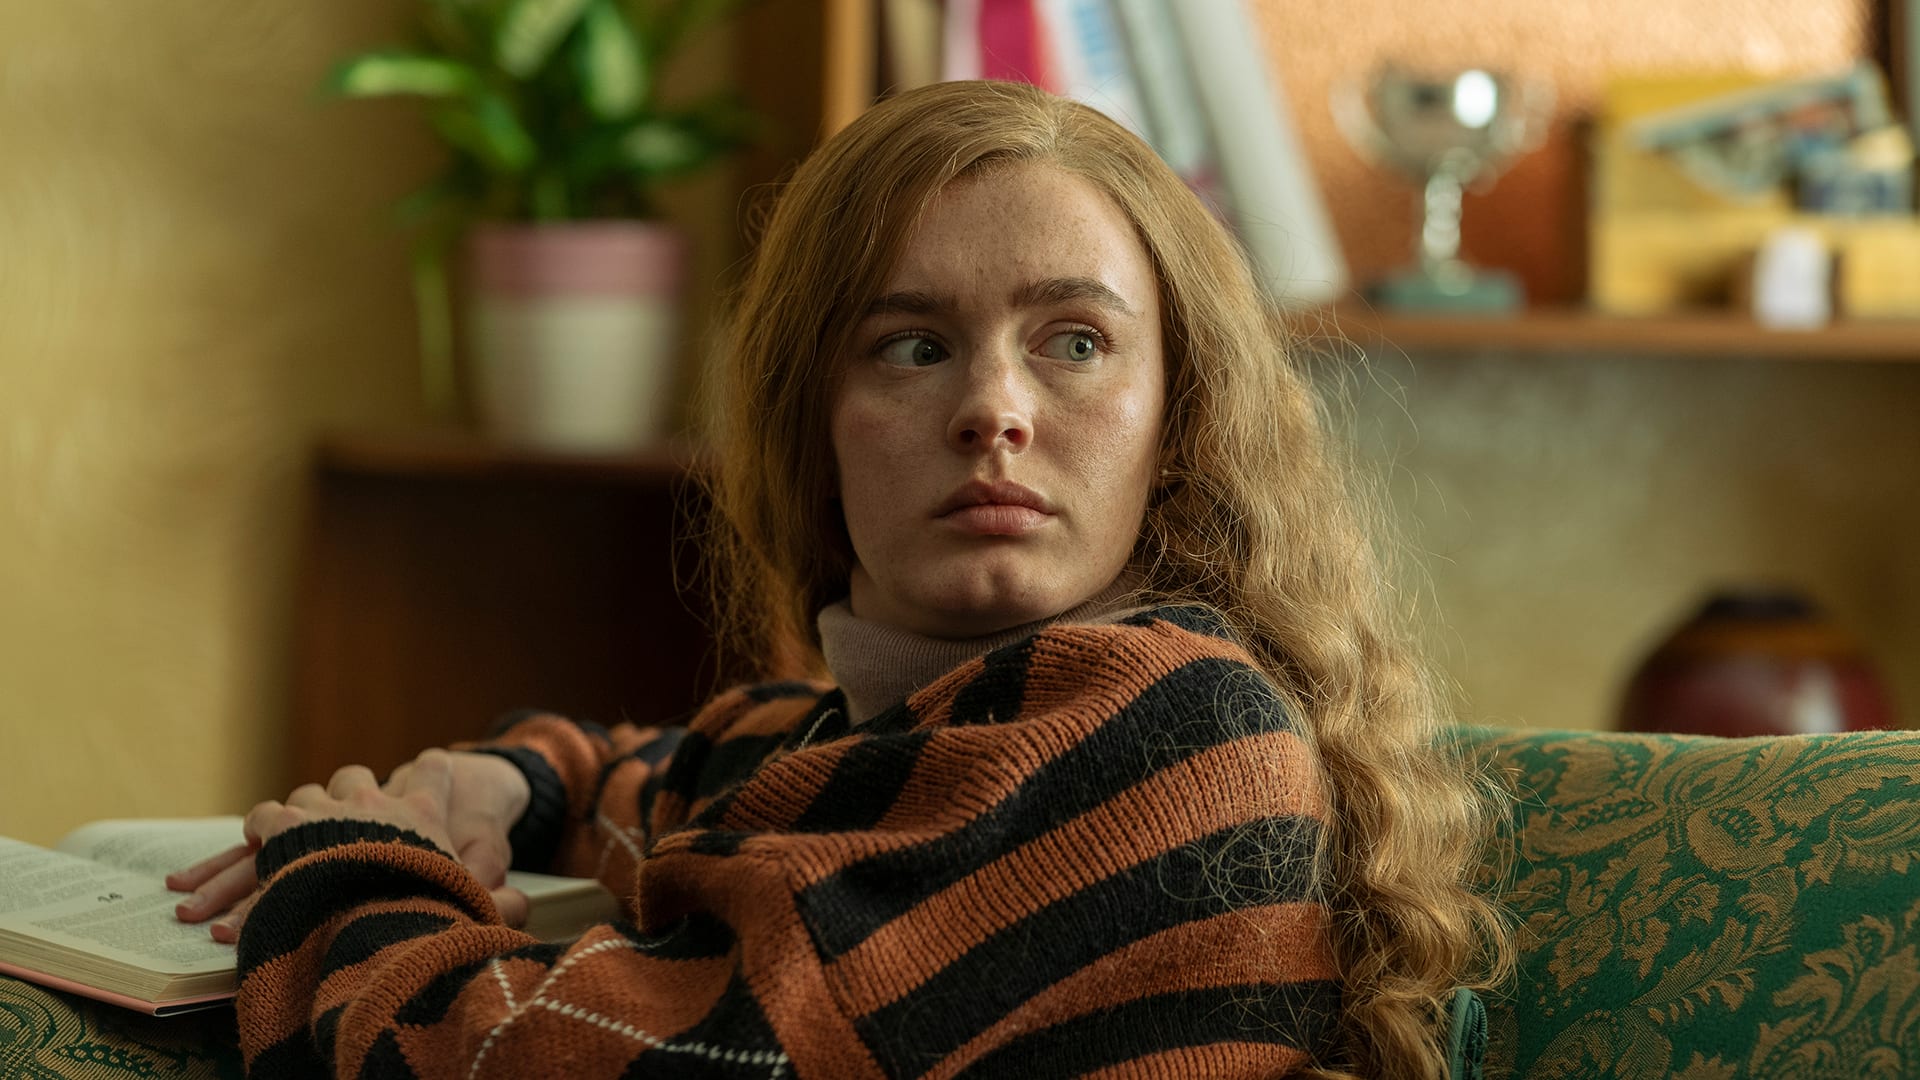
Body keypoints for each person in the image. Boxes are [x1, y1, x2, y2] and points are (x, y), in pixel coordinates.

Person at [170, 79, 1507, 1078]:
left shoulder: (1173, 722)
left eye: (1075, 341)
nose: (994, 409)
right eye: (912, 347)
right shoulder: (861, 733)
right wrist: (511, 782)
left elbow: (569, 1060)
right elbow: (674, 774)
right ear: (813, 429)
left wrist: (351, 873)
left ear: (1179, 425)